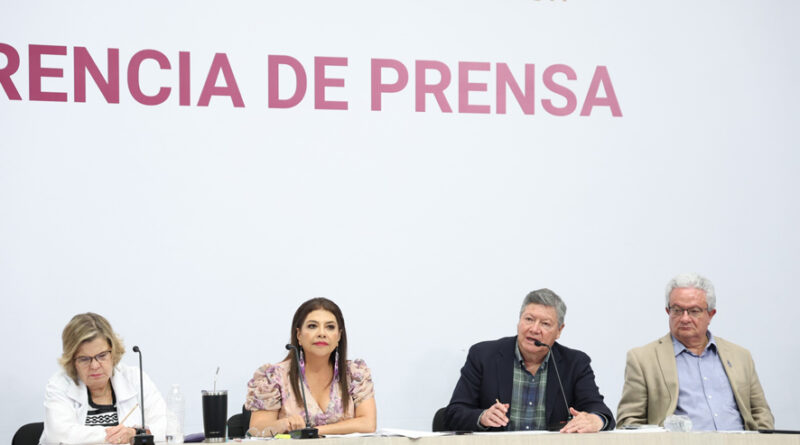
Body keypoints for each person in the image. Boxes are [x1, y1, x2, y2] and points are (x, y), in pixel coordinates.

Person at [617, 273, 774, 430]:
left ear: (710, 314)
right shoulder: (643, 360)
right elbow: (629, 422)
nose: (685, 318)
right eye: (677, 310)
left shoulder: (740, 356)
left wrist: (761, 439)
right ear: (668, 311)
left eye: (694, 311)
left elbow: (760, 412)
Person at [445, 289, 615, 433]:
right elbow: (453, 413)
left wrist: (595, 420)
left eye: (545, 324)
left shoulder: (575, 363)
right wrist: (482, 417)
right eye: (529, 319)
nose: (534, 329)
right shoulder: (483, 356)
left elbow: (600, 412)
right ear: (519, 321)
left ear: (559, 330)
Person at [246, 298, 376, 435]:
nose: (321, 333)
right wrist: (283, 424)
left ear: (339, 336)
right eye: (312, 326)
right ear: (299, 335)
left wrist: (312, 432)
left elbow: (368, 424)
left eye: (330, 327)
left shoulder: (354, 374)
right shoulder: (273, 377)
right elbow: (256, 430)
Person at [41, 313, 167, 444]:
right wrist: (119, 435)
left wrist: (134, 433)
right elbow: (60, 436)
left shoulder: (134, 378)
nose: (95, 366)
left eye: (102, 356)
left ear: (113, 351)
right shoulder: (60, 385)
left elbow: (167, 427)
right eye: (84, 359)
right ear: (72, 360)